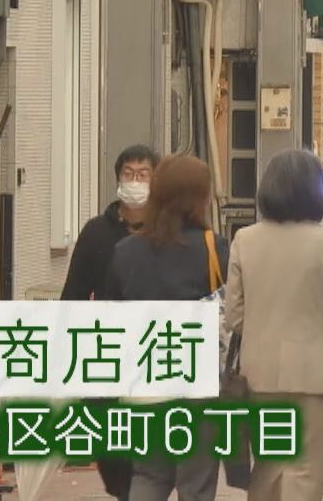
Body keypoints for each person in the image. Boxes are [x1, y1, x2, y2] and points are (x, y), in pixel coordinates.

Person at [223, 150, 323, 501]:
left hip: (259, 374)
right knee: (305, 473)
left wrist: (262, 329)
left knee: (268, 468)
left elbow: (234, 316)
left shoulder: (245, 240)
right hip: (316, 375)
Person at [106, 154, 228, 501]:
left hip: (144, 382)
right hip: (199, 386)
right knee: (196, 485)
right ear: (200, 198)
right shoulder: (214, 248)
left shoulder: (125, 251)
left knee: (148, 475)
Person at [60, 144, 156, 501]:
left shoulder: (167, 232)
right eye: (129, 174)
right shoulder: (96, 233)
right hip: (105, 352)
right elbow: (73, 294)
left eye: (143, 175)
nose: (135, 182)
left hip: (154, 351)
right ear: (117, 179)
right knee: (112, 452)